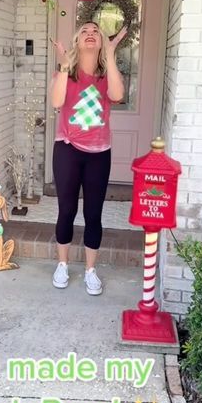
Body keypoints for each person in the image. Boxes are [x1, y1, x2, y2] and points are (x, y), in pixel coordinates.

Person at [50, 21, 126, 295]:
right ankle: (62, 264)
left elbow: (117, 95)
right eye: (84, 31)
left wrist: (112, 54)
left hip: (98, 154)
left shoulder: (107, 75)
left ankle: (91, 271)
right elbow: (57, 102)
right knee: (67, 211)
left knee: (93, 214)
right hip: (67, 150)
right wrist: (63, 66)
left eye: (96, 31)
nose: (91, 33)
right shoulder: (65, 74)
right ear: (76, 42)